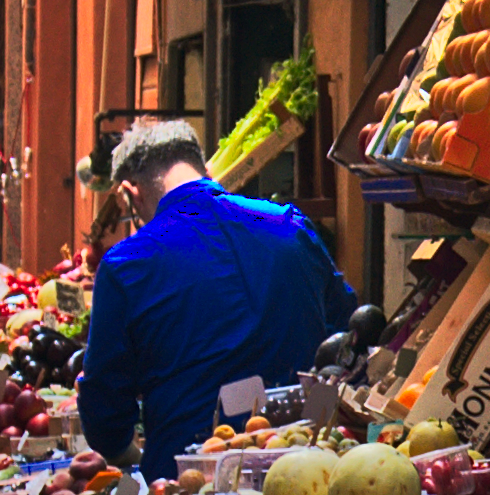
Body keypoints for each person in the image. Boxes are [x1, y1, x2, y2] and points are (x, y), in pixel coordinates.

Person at [76, 119, 354, 473]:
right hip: (307, 462)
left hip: (189, 480)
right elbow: (346, 332)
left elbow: (106, 410)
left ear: (133, 192)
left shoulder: (126, 265)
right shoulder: (289, 225)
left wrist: (125, 456)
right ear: (204, 169)